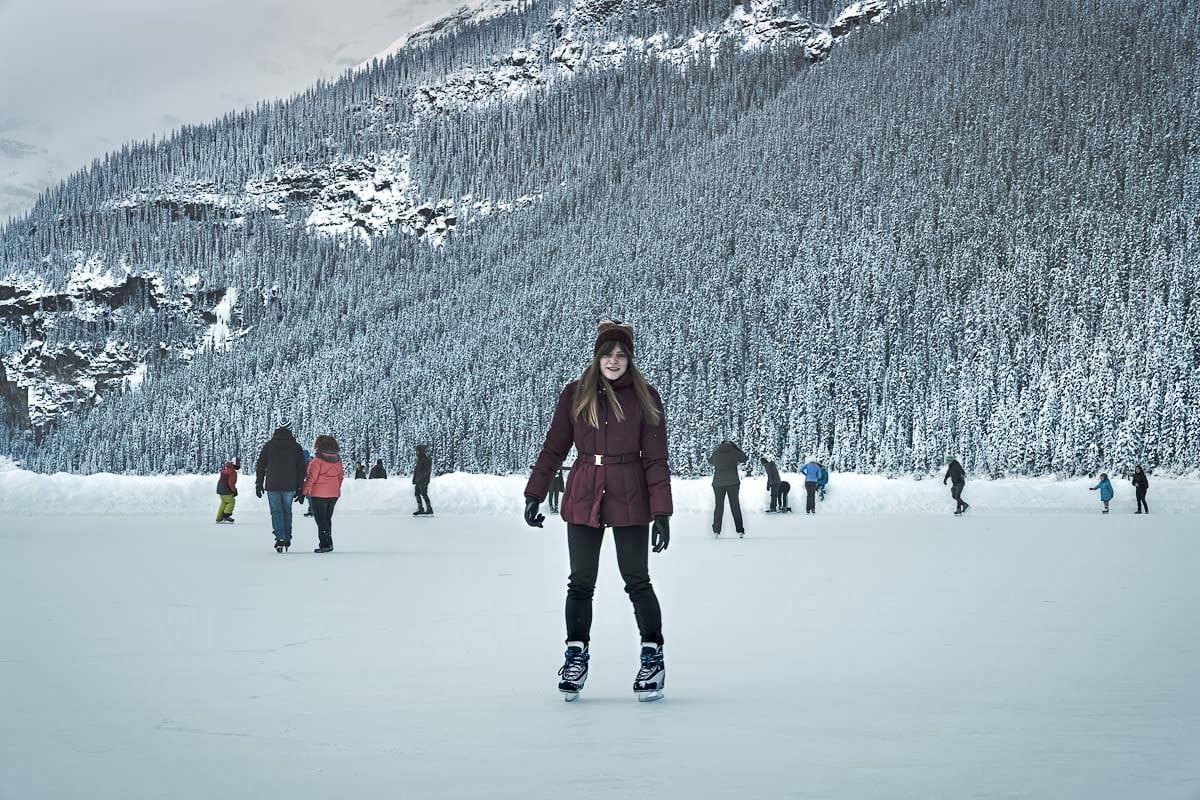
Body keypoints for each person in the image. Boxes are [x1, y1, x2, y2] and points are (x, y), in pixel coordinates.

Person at [524, 320, 672, 702]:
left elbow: (656, 461)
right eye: (608, 353)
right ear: (597, 356)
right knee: (580, 582)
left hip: (631, 492)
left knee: (637, 579)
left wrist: (662, 513)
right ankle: (576, 655)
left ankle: (652, 657)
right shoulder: (575, 395)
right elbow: (554, 448)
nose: (614, 360)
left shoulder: (645, 397)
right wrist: (535, 492)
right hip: (585, 490)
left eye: (621, 354)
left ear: (630, 359)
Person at [255, 418, 308, 552]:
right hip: (290, 485)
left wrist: (259, 483)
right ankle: (287, 538)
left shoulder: (269, 445)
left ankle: (280, 538)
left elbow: (261, 465)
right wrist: (300, 487)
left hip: (272, 484)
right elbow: (302, 468)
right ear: (290, 429)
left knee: (276, 512)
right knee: (287, 511)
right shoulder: (296, 447)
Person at [304, 435, 344, 553]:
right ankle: (328, 542)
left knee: (321, 520)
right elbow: (340, 477)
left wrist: (304, 492)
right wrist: (335, 488)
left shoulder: (316, 461)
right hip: (334, 494)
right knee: (327, 519)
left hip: (319, 494)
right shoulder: (338, 460)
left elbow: (311, 479)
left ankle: (325, 544)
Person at [709, 440, 748, 537]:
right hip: (733, 483)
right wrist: (736, 447)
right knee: (735, 506)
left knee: (719, 506)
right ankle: (740, 530)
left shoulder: (717, 452)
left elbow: (710, 461)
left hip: (718, 483)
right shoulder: (733, 452)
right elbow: (744, 458)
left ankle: (716, 531)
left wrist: (717, 449)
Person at [216, 456, 240, 523]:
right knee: (231, 501)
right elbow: (231, 483)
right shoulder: (232, 472)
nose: (239, 465)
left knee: (224, 502)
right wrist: (234, 490)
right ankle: (226, 515)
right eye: (238, 463)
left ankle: (219, 518)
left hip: (220, 489)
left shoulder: (225, 470)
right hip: (226, 489)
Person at [413, 444, 433, 516]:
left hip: (423, 481)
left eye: (418, 451)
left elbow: (426, 471)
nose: (416, 453)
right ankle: (420, 508)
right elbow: (416, 470)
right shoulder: (419, 459)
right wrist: (415, 479)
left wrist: (420, 478)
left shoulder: (426, 459)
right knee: (417, 494)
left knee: (424, 494)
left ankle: (429, 508)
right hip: (418, 481)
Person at [302, 448, 315, 517]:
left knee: (311, 497)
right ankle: (312, 511)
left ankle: (313, 511)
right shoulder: (310, 461)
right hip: (309, 483)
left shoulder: (309, 463)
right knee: (310, 497)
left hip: (312, 483)